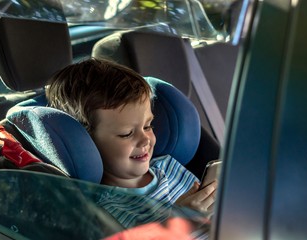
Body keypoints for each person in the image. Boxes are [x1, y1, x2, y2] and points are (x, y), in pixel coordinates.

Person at [46, 58, 217, 229]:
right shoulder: (105, 212)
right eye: (127, 134)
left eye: (148, 126)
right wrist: (180, 222)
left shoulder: (170, 167)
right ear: (86, 142)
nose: (145, 140)